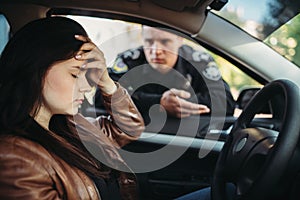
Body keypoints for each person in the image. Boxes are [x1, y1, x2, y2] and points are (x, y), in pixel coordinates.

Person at [0, 17, 145, 200]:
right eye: (75, 74)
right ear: (35, 68)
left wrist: (106, 81)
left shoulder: (68, 126)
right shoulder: (15, 158)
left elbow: (130, 128)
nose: (86, 87)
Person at [93, 26, 235, 126]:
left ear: (180, 39)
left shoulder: (198, 61)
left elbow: (225, 101)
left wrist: (177, 104)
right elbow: (102, 96)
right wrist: (158, 103)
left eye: (165, 42)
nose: (156, 50)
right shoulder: (129, 59)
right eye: (149, 42)